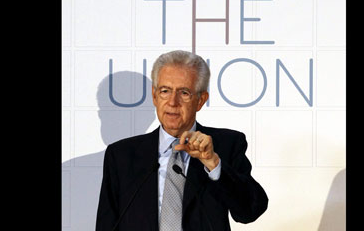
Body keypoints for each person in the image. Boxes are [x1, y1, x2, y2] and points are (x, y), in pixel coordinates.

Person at [96, 50, 268, 230]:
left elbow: (250, 211)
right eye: (165, 91)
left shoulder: (226, 145)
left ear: (201, 100)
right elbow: (106, 225)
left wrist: (213, 164)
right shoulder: (121, 155)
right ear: (154, 96)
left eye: (184, 93)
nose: (172, 102)